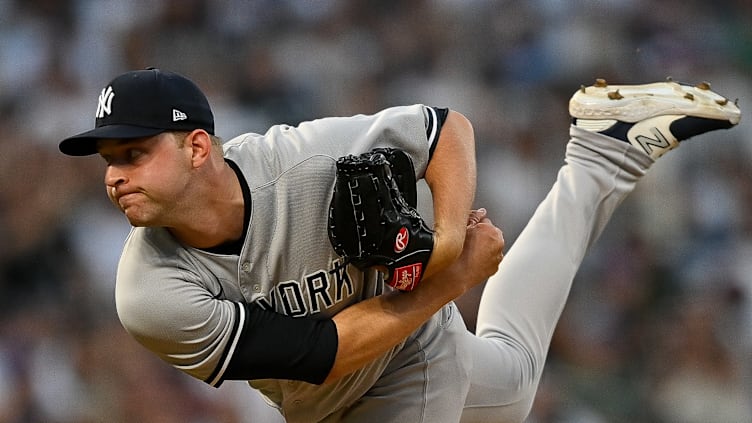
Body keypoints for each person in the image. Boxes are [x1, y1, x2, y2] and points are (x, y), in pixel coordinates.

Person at [59, 68, 740, 423]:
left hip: (410, 345)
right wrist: (452, 278)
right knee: (515, 377)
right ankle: (603, 154)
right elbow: (320, 357)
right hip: (330, 391)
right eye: (108, 159)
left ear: (198, 146)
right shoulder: (149, 292)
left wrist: (445, 242)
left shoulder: (300, 161)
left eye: (134, 152)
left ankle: (602, 158)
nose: (115, 174)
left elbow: (446, 130)